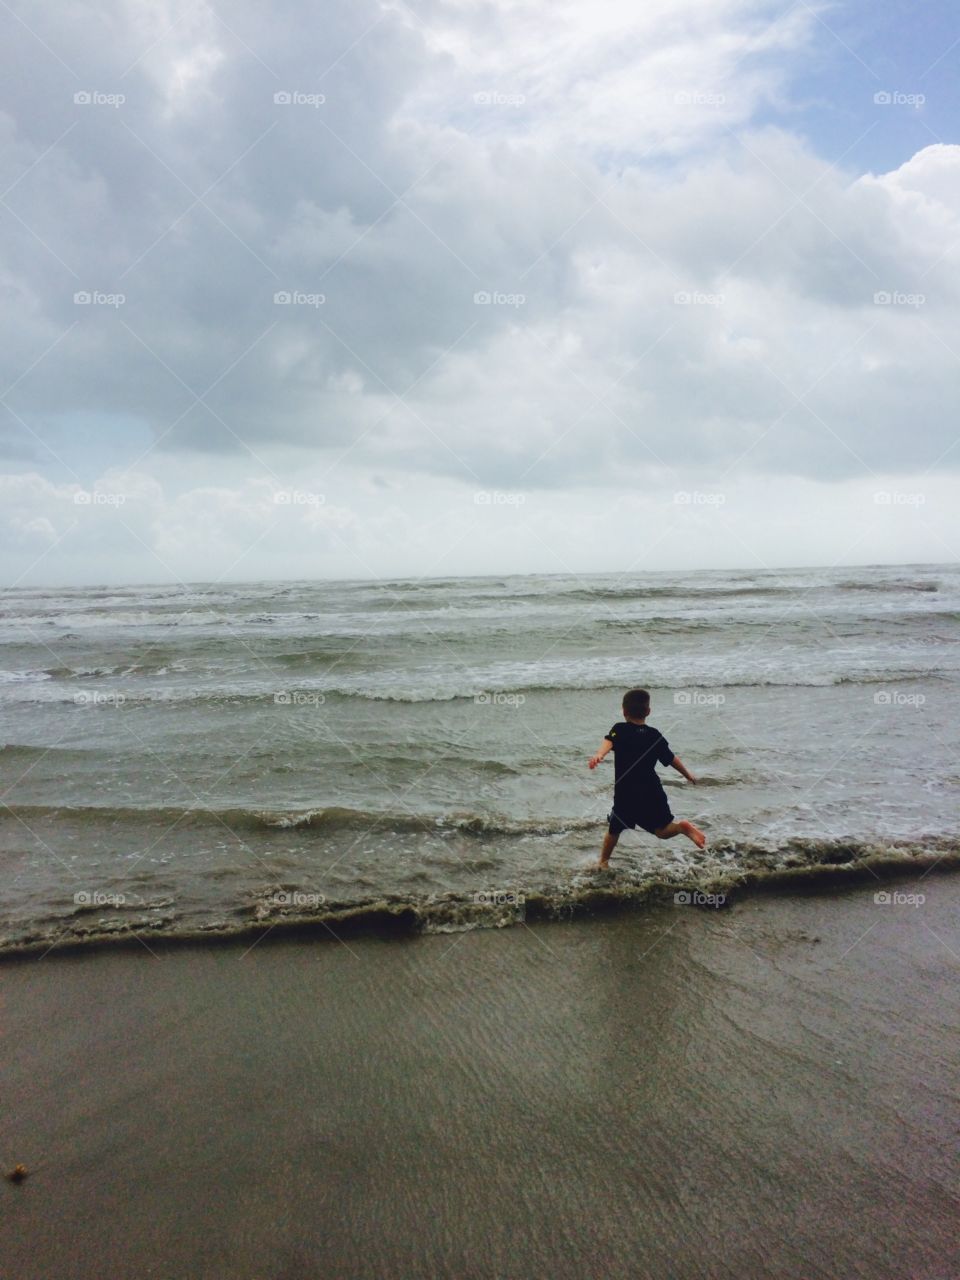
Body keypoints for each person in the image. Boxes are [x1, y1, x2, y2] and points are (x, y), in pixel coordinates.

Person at [588, 687, 706, 870]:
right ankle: (682, 828)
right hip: (652, 791)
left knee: (615, 828)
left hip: (626, 793)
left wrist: (599, 755)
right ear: (648, 712)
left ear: (624, 711)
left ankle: (603, 862)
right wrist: (687, 774)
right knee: (662, 830)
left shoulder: (619, 729)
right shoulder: (654, 735)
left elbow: (608, 742)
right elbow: (671, 758)